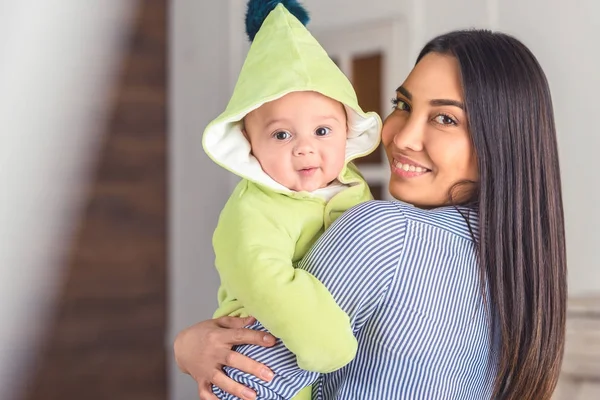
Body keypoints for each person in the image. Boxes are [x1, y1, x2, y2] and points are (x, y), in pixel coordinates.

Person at [175, 29, 567, 400]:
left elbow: (237, 387)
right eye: (403, 105)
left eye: (445, 118)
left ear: (499, 141)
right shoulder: (525, 270)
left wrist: (187, 348)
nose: (401, 136)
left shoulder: (383, 232)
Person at [201, 1, 380, 397]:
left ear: (347, 129)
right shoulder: (253, 211)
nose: (305, 149)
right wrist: (326, 344)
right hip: (262, 355)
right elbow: (270, 282)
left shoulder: (352, 188)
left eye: (322, 130)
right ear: (249, 143)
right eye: (282, 135)